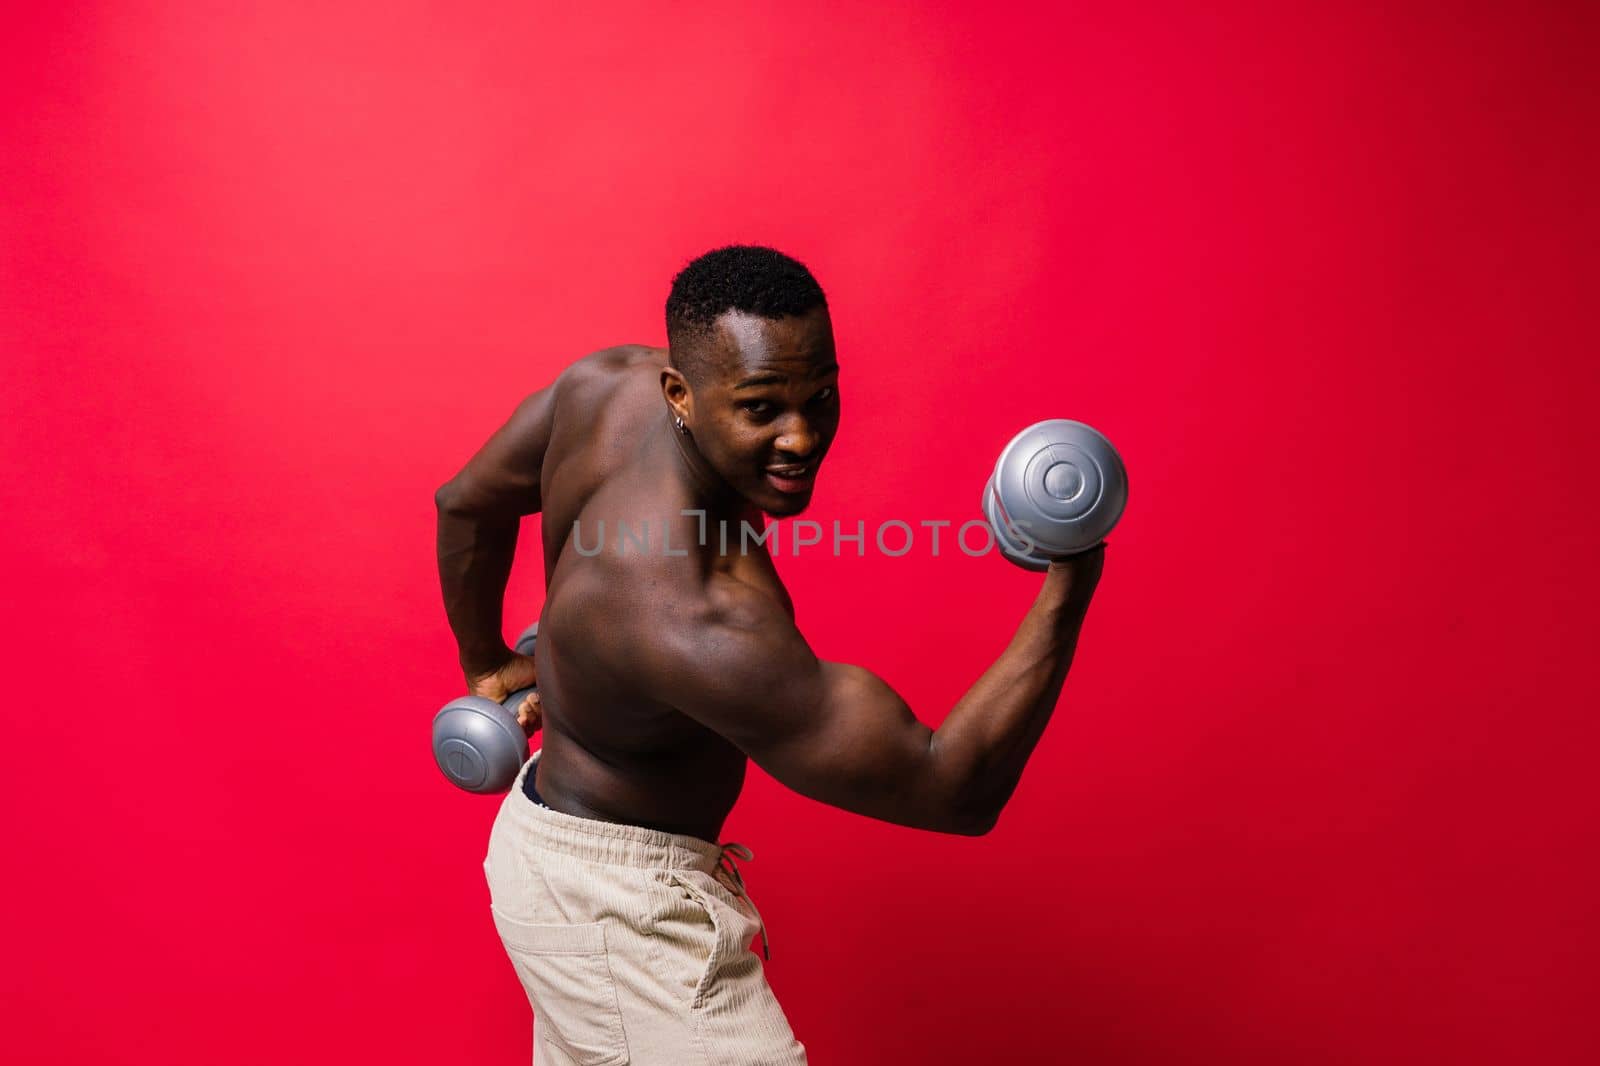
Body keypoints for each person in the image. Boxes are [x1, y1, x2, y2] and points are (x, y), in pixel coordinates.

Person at [434, 245, 1106, 1065]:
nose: (801, 436)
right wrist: (1072, 579)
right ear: (680, 394)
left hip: (550, 853)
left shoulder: (601, 387)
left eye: (819, 396)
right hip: (622, 916)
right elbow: (953, 789)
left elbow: (465, 505)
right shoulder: (692, 616)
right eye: (761, 410)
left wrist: (490, 661)